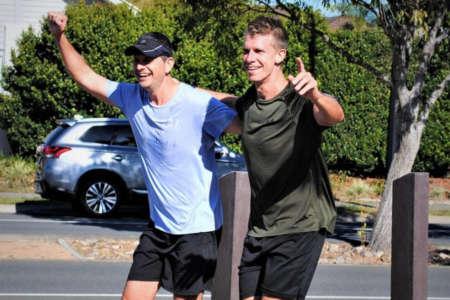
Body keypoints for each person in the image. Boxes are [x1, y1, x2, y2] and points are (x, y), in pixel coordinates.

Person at [47, 11, 241, 300]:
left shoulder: (198, 104)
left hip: (196, 230)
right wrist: (59, 36)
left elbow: (245, 125)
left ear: (168, 64)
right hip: (159, 227)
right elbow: (86, 76)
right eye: (137, 60)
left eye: (147, 59)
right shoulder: (131, 97)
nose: (140, 66)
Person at [205, 16, 344, 300]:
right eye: (246, 50)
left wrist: (317, 95)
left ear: (280, 55)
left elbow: (334, 115)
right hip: (259, 228)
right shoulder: (250, 102)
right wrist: (177, 89)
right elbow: (228, 101)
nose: (249, 58)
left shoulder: (300, 97)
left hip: (300, 224)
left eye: (259, 51)